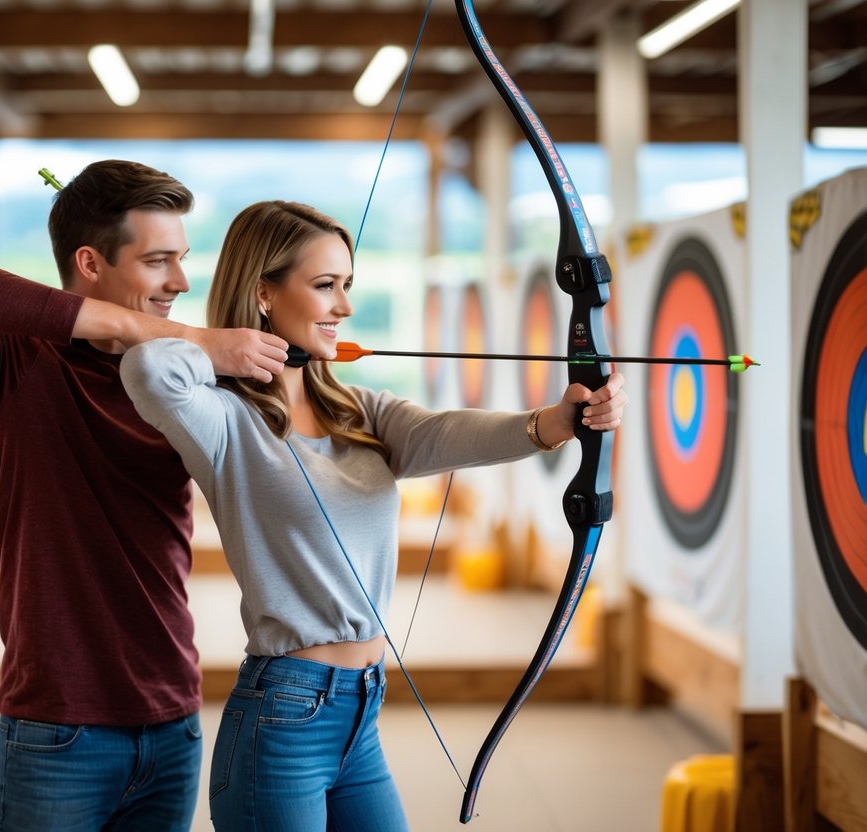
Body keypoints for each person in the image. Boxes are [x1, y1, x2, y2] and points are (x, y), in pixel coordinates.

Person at [120, 200, 628, 831]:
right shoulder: (225, 420)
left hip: (360, 714)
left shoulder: (359, 411)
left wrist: (554, 423)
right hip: (281, 719)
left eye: (348, 286)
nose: (345, 307)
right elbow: (147, 368)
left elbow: (446, 433)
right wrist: (219, 345)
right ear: (263, 292)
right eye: (326, 286)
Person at [0, 160, 288, 832]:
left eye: (182, 260)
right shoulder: (16, 367)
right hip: (56, 731)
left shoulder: (184, 385)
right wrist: (184, 337)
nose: (181, 283)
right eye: (158, 261)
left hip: (171, 722)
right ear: (90, 263)